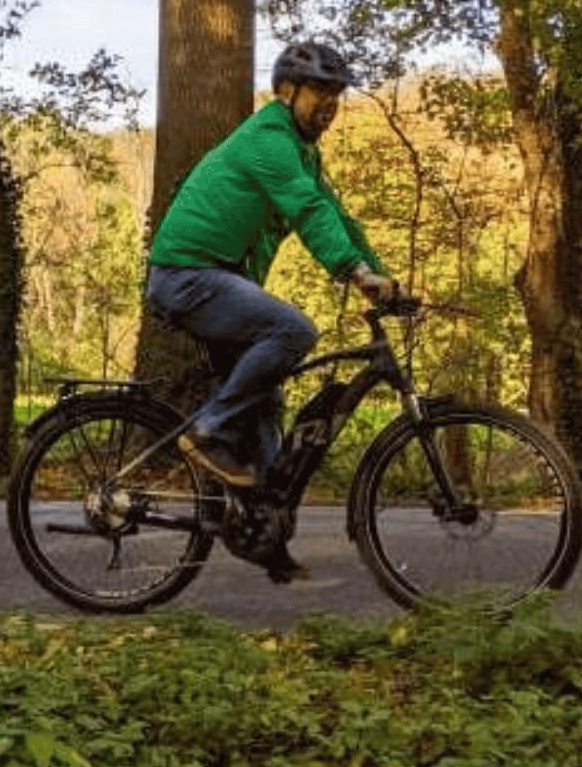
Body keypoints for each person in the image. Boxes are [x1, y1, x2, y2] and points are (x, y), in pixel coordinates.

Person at [144, 41, 397, 498]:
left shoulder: (301, 152)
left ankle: (256, 519)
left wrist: (380, 275)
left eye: (336, 96)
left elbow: (336, 216)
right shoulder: (268, 139)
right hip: (188, 275)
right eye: (319, 92)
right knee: (293, 331)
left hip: (216, 277)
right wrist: (355, 272)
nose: (330, 105)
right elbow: (307, 209)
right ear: (286, 90)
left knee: (265, 398)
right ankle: (208, 432)